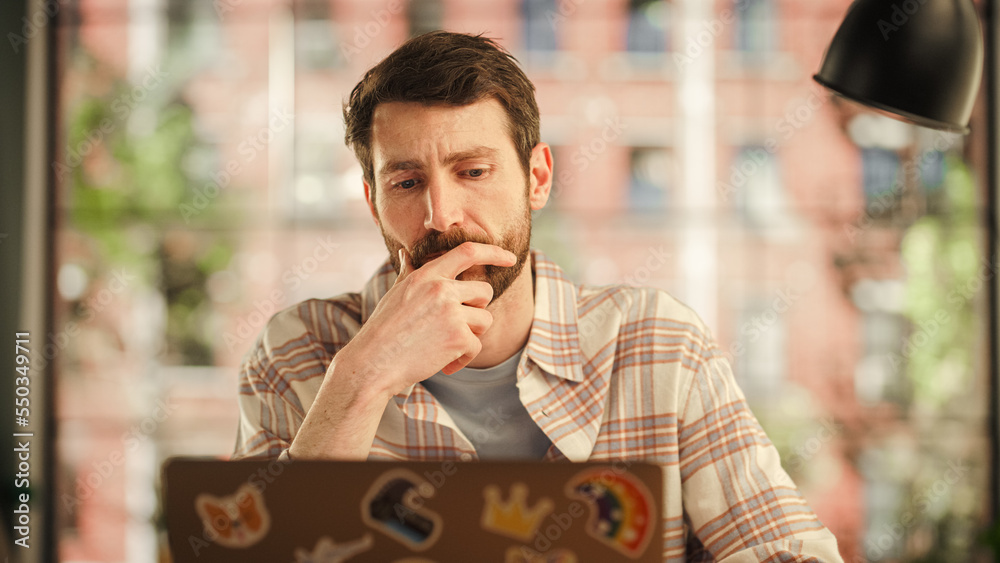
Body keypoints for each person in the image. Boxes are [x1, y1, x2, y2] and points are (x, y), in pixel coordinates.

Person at [233, 30, 843, 560]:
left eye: (474, 172)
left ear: (538, 178)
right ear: (373, 203)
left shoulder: (658, 343)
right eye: (407, 181)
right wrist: (361, 380)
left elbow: (788, 553)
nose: (443, 216)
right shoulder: (297, 351)